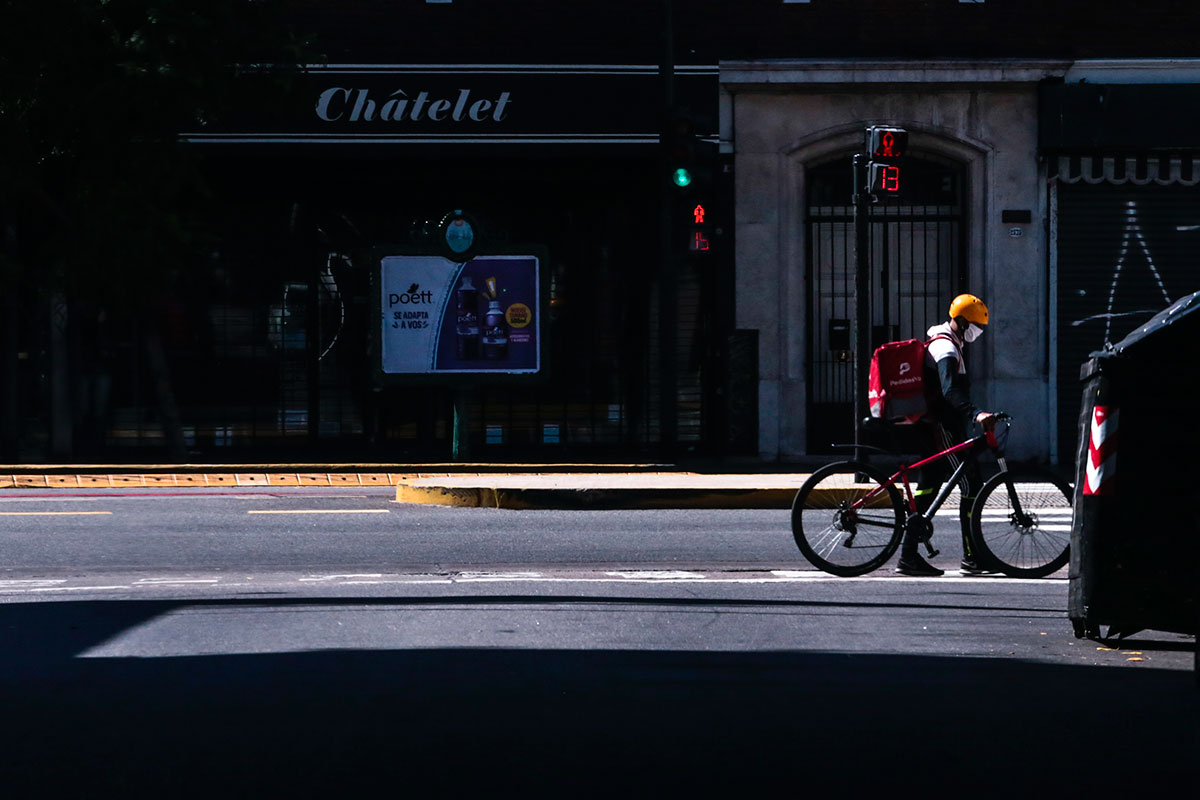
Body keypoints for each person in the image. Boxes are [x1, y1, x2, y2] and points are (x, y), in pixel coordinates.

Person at [896, 293, 997, 577]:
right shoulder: (946, 348)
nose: (980, 332)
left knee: (929, 485)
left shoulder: (950, 343)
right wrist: (976, 413)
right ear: (962, 322)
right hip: (943, 427)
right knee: (972, 486)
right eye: (976, 325)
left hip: (935, 426)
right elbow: (951, 391)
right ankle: (972, 557)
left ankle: (908, 556)